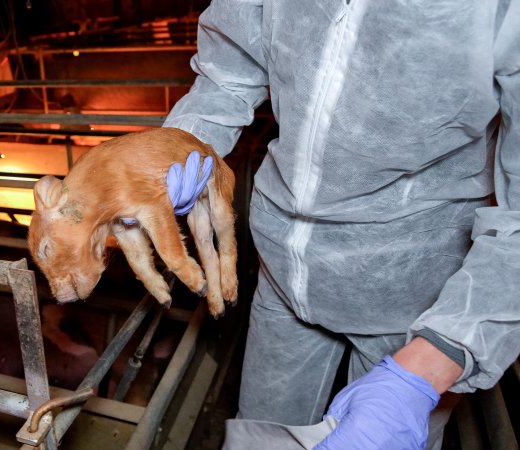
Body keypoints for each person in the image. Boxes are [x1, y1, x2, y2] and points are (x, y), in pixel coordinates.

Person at [162, 1, 520, 449]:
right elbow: (227, 73)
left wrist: (434, 362)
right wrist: (183, 143)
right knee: (263, 439)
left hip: (413, 289)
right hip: (281, 267)